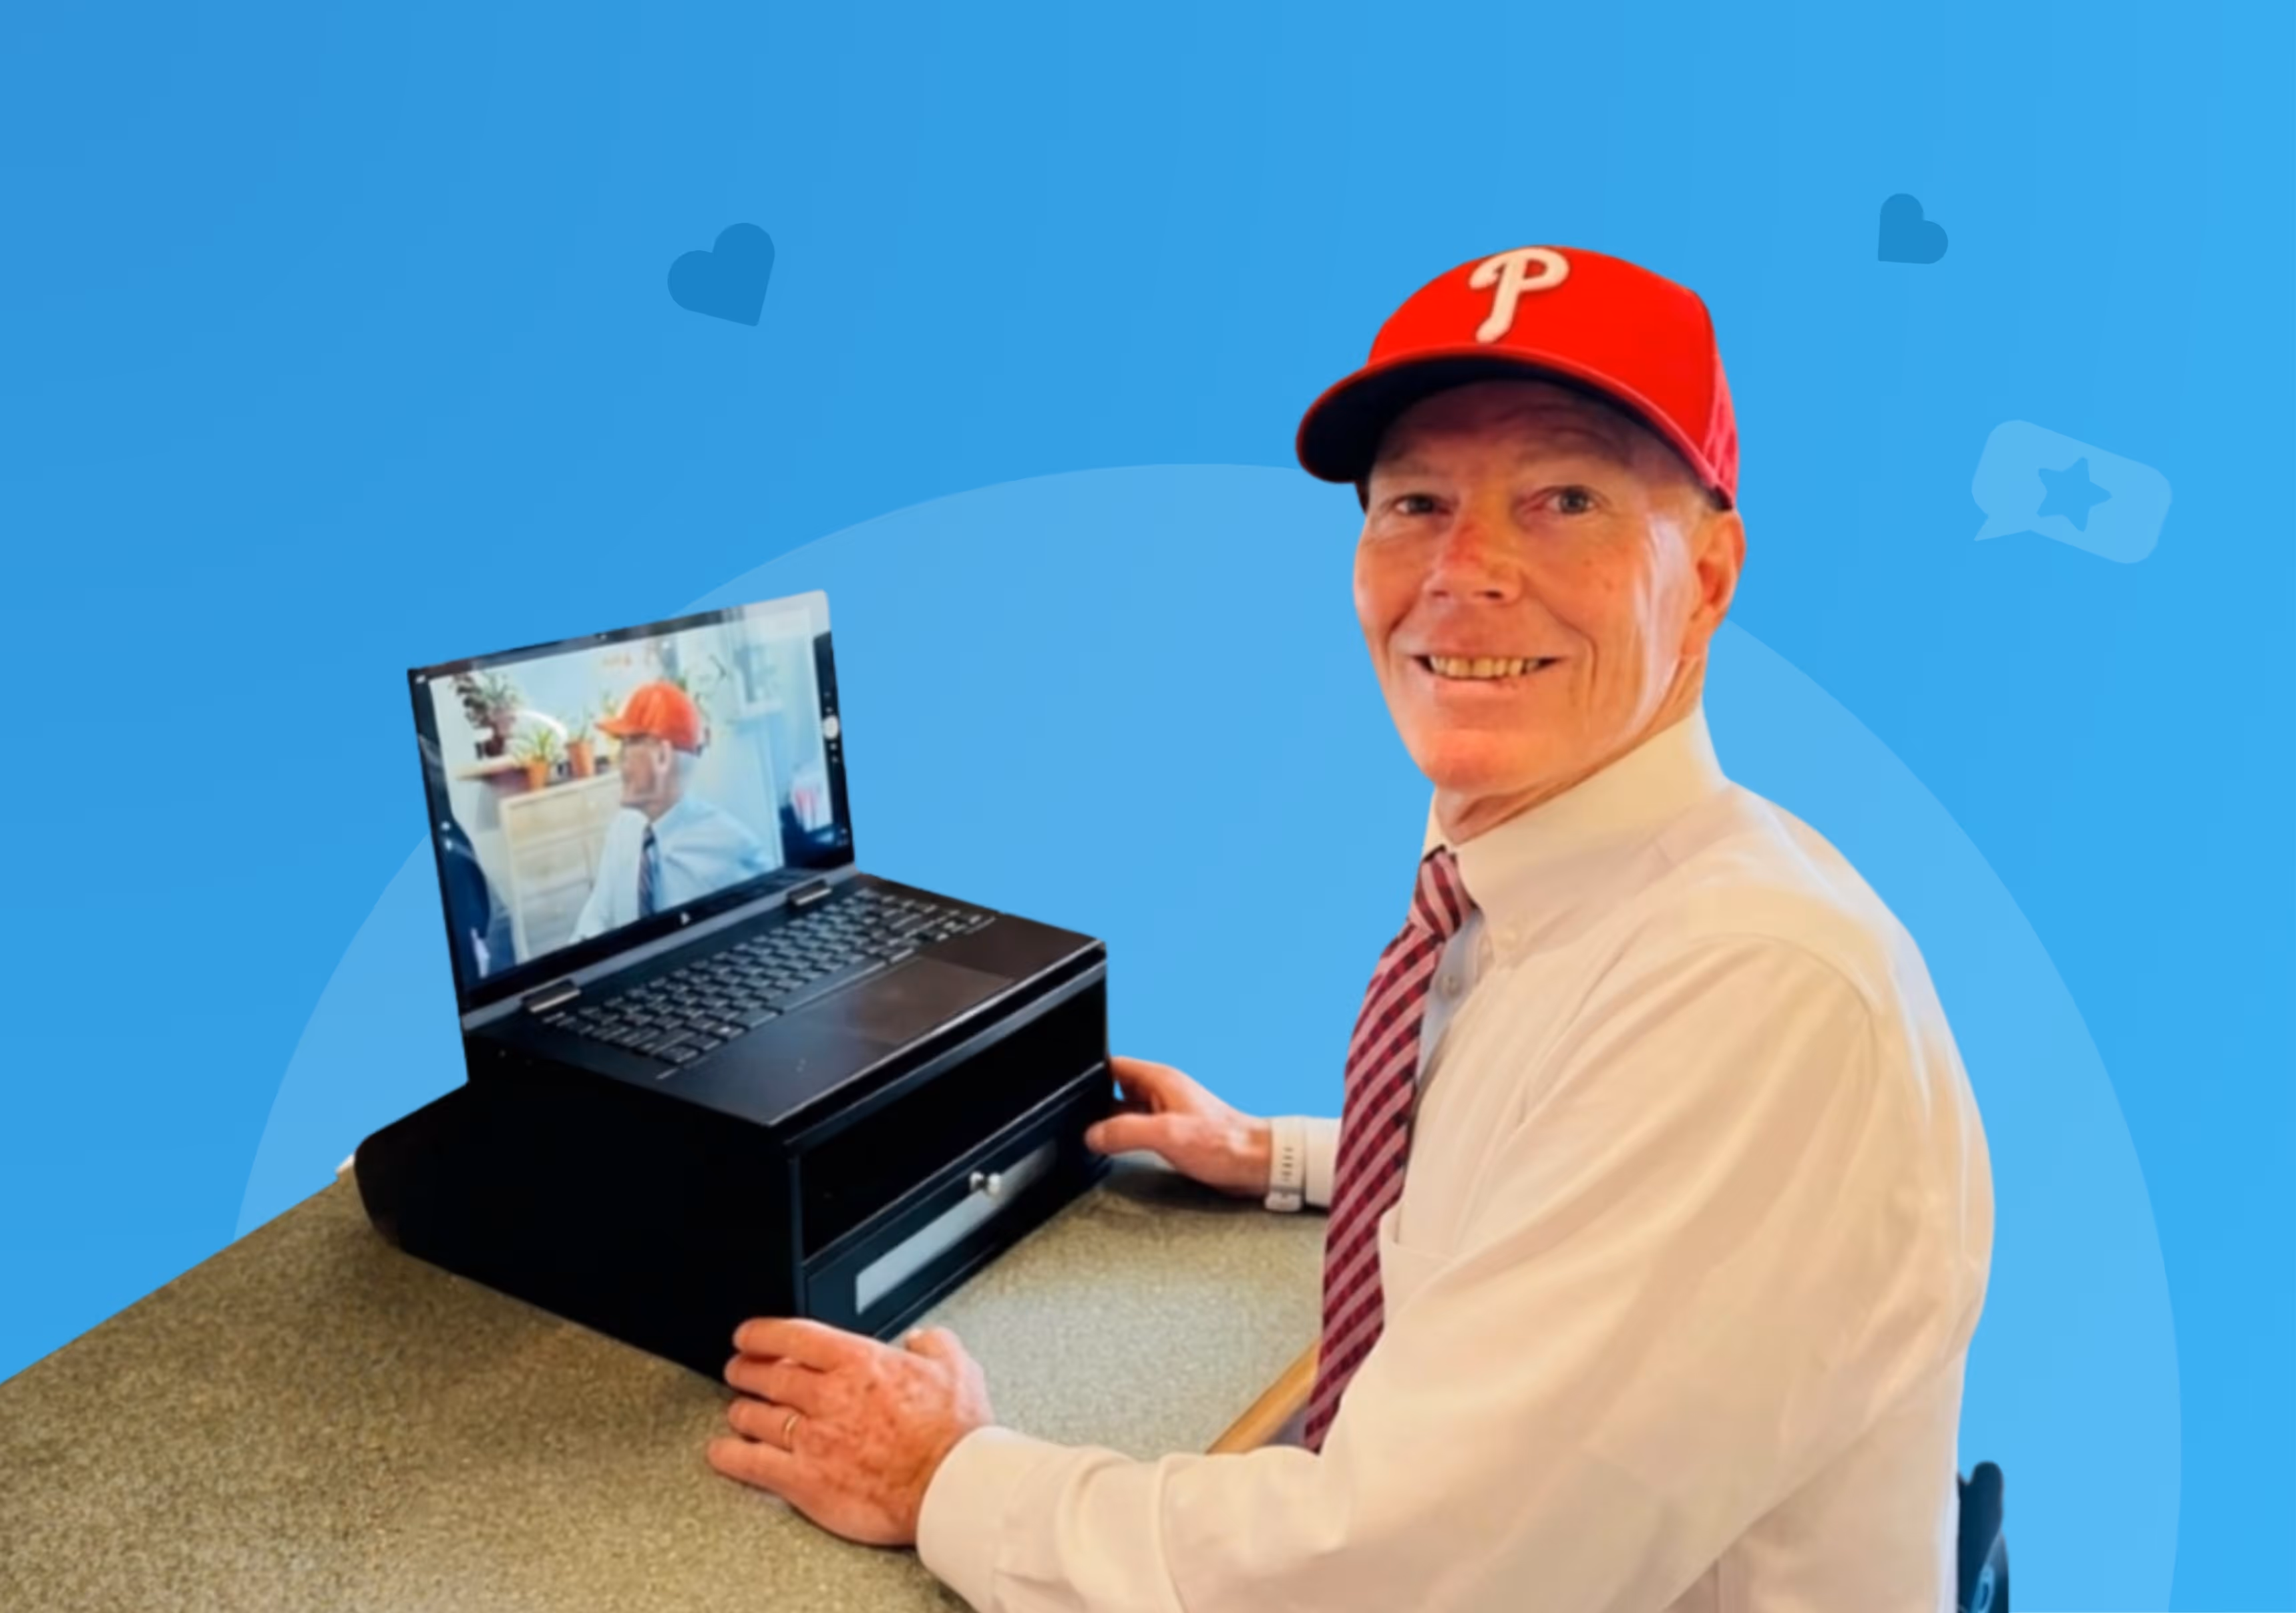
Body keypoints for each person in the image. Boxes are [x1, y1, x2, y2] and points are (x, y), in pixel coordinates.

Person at [703, 246, 1994, 1611]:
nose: (1466, 570)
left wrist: (950, 1473)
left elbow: (1399, 1577)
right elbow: (1569, 1150)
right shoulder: (1565, 879)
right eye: (1416, 502)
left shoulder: (1752, 988)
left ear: (1712, 572)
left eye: (1564, 498)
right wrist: (1294, 1159)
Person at [569, 680, 771, 942]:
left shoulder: (731, 848)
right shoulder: (623, 830)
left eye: (628, 744)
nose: (619, 760)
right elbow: (596, 918)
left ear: (662, 758)